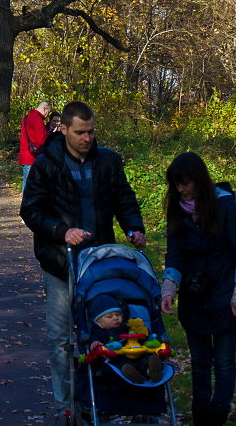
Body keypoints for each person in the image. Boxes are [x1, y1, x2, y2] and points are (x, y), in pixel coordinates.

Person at [20, 100, 146, 423]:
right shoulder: (46, 165)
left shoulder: (108, 162)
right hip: (60, 261)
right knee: (61, 337)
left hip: (99, 263)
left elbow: (124, 198)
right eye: (80, 132)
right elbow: (30, 211)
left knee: (105, 332)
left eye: (91, 132)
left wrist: (134, 227)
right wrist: (62, 232)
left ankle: (102, 398)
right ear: (63, 130)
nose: (87, 138)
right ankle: (68, 405)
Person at [159, 151, 236, 426]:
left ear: (199, 181)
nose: (180, 190)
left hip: (225, 291)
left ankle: (219, 413)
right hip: (194, 294)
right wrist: (169, 289)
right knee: (200, 360)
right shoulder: (177, 208)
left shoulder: (226, 208)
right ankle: (201, 414)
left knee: (224, 360)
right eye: (176, 185)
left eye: (185, 183)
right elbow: (174, 254)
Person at [85, 294, 164, 384]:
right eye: (110, 316)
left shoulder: (127, 325)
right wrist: (95, 343)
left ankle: (151, 371)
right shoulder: (99, 331)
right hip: (117, 356)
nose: (115, 318)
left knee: (148, 358)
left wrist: (142, 330)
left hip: (137, 352)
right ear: (99, 322)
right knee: (120, 365)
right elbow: (94, 341)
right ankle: (134, 376)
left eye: (118, 314)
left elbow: (143, 338)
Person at [19, 101, 53, 189]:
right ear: (45, 108)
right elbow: (41, 140)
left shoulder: (26, 118)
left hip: (25, 153)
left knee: (27, 182)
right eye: (48, 112)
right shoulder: (37, 119)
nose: (46, 115)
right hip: (32, 157)